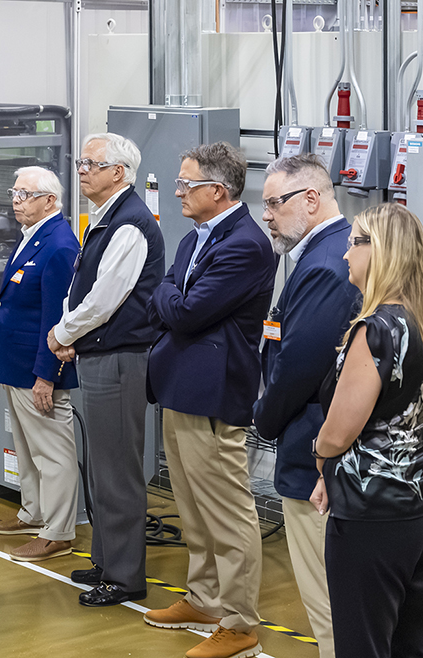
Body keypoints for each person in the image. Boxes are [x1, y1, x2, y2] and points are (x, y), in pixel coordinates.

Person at [144, 142, 274, 658]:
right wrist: (170, 295)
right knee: (193, 506)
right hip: (180, 385)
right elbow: (169, 295)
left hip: (214, 393)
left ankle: (240, 623)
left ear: (217, 191)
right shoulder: (195, 238)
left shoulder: (245, 245)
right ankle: (204, 598)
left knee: (227, 511)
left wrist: (170, 295)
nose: (178, 191)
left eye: (186, 184)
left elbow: (185, 310)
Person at [312, 203, 423, 658]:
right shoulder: (420, 320)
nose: (345, 254)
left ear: (380, 251)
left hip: (372, 514)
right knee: (413, 641)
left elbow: (339, 432)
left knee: (363, 643)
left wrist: (320, 457)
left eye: (354, 243)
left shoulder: (374, 331)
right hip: (421, 503)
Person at [46, 133, 164, 606]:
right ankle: (106, 560)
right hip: (99, 355)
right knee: (100, 468)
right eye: (80, 163)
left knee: (117, 471)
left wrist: (64, 333)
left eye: (91, 164)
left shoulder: (130, 224)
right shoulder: (106, 217)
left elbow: (104, 299)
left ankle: (125, 575)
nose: (81, 171)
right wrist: (71, 333)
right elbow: (82, 285)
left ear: (118, 172)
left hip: (119, 361)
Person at [252, 153, 357, 658]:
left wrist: (264, 418)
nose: (266, 215)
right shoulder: (332, 251)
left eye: (275, 203)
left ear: (311, 199)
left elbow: (300, 365)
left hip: (313, 454)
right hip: (318, 451)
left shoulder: (326, 264)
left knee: (329, 602)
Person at [0, 166, 79, 562]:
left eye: (25, 194)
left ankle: (58, 532)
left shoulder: (59, 246)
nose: (16, 200)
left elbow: (57, 320)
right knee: (26, 448)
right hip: (16, 365)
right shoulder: (33, 236)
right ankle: (34, 512)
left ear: (50, 200)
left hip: (37, 370)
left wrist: (47, 375)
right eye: (14, 192)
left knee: (53, 453)